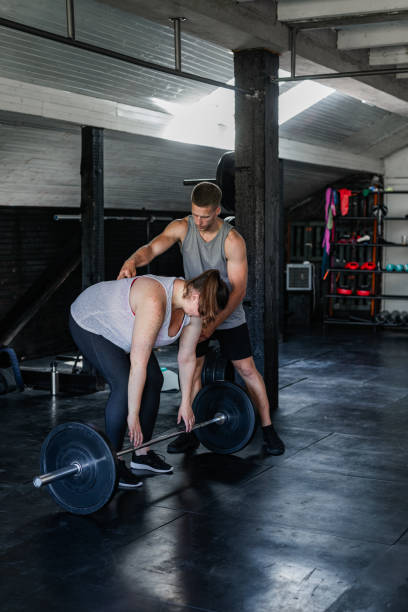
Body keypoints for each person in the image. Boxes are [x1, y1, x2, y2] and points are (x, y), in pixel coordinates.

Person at [117, 181, 285, 456]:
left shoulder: (232, 240)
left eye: (205, 216)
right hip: (194, 311)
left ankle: (268, 429)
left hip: (226, 313)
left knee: (246, 369)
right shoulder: (182, 227)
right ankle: (189, 431)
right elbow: (151, 248)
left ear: (217, 211)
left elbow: (239, 290)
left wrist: (214, 324)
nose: (199, 220)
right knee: (192, 369)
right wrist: (132, 260)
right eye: (195, 214)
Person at [69, 269, 229, 490]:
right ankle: (112, 463)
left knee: (155, 380)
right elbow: (138, 365)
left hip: (124, 330)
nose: (204, 319)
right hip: (93, 321)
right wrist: (132, 415)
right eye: (205, 312)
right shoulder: (155, 301)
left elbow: (187, 358)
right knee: (123, 384)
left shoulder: (192, 312)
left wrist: (186, 403)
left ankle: (141, 454)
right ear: (196, 296)